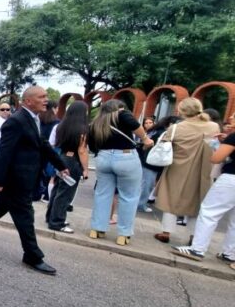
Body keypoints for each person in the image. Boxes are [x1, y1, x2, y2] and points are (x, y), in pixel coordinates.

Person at [0, 86, 69, 275]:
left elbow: (42, 144)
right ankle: (33, 255)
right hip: (17, 179)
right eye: (41, 97)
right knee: (26, 216)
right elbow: (4, 153)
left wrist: (60, 164)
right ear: (28, 101)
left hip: (24, 177)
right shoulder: (16, 121)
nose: (46, 100)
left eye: (46, 97)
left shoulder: (33, 119)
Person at [152, 98, 221, 244]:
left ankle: (166, 232)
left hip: (177, 168)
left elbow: (164, 144)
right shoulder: (214, 127)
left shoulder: (176, 127)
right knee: (198, 201)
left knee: (171, 198)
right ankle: (193, 236)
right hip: (203, 169)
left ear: (182, 111)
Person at [87, 99, 153, 245]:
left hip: (103, 157)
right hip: (126, 156)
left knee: (102, 194)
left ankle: (97, 229)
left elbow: (92, 147)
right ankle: (123, 234)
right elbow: (134, 124)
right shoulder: (122, 114)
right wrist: (145, 138)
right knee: (129, 196)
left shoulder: (95, 123)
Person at [172, 115, 235, 263]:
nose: (231, 116)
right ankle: (230, 253)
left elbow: (216, 158)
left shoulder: (233, 137)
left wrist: (219, 145)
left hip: (231, 178)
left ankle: (197, 249)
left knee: (209, 212)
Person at [45, 100, 89, 232]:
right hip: (73, 161)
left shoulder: (60, 126)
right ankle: (57, 221)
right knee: (66, 193)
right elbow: (82, 150)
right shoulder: (83, 128)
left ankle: (51, 217)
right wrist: (86, 169)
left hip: (62, 157)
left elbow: (53, 143)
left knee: (57, 189)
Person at [137, 115, 179, 212]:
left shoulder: (155, 131)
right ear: (171, 124)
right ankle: (140, 204)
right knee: (147, 184)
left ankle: (140, 203)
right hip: (152, 163)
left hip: (147, 160)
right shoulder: (163, 133)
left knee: (145, 183)